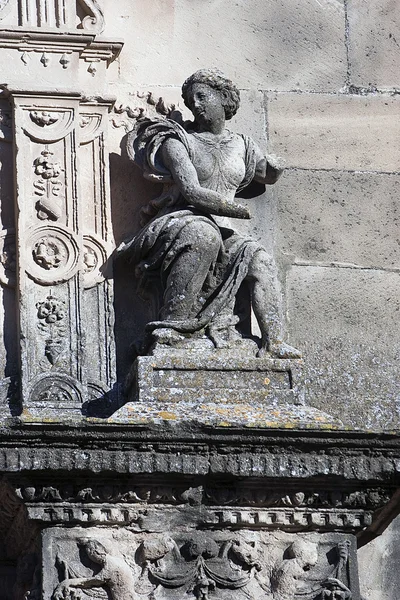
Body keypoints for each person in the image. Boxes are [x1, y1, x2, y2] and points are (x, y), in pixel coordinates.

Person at [118, 68, 301, 358]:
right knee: (203, 235)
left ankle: (274, 343)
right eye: (191, 100)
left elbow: (264, 173)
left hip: (224, 228)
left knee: (261, 261)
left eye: (202, 96)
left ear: (223, 98)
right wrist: (235, 209)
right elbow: (190, 191)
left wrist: (276, 169)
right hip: (184, 219)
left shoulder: (242, 144)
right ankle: (174, 327)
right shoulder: (177, 142)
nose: (196, 105)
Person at [52, 539, 137, 600]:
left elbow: (88, 582)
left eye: (88, 552)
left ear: (95, 552)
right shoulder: (117, 561)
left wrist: (67, 582)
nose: (88, 556)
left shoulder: (111, 567)